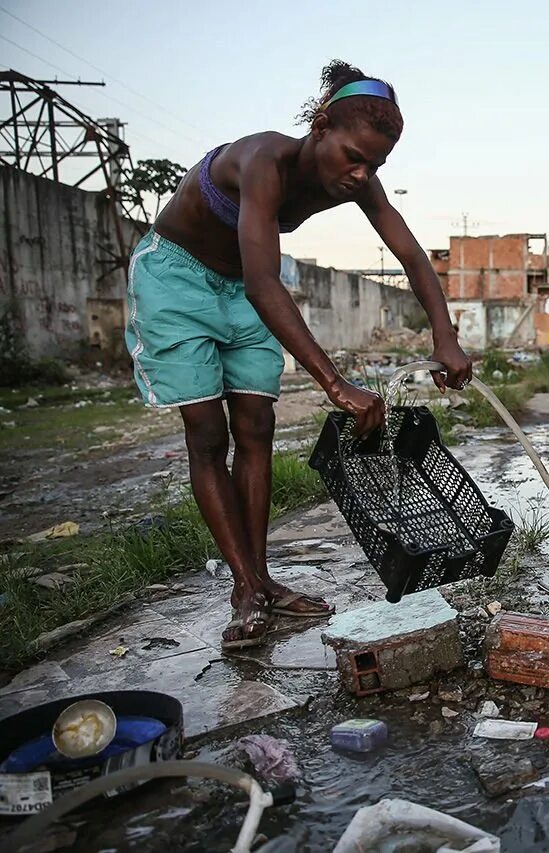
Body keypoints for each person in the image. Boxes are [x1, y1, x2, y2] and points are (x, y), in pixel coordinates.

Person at [125, 61, 472, 649]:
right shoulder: (264, 160)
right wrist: (335, 384)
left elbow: (411, 254)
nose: (361, 174)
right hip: (177, 280)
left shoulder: (360, 181)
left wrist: (445, 335)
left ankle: (259, 583)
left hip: (241, 289)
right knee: (208, 435)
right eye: (353, 157)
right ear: (319, 127)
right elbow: (267, 281)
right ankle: (247, 588)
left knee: (256, 427)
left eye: (376, 165)